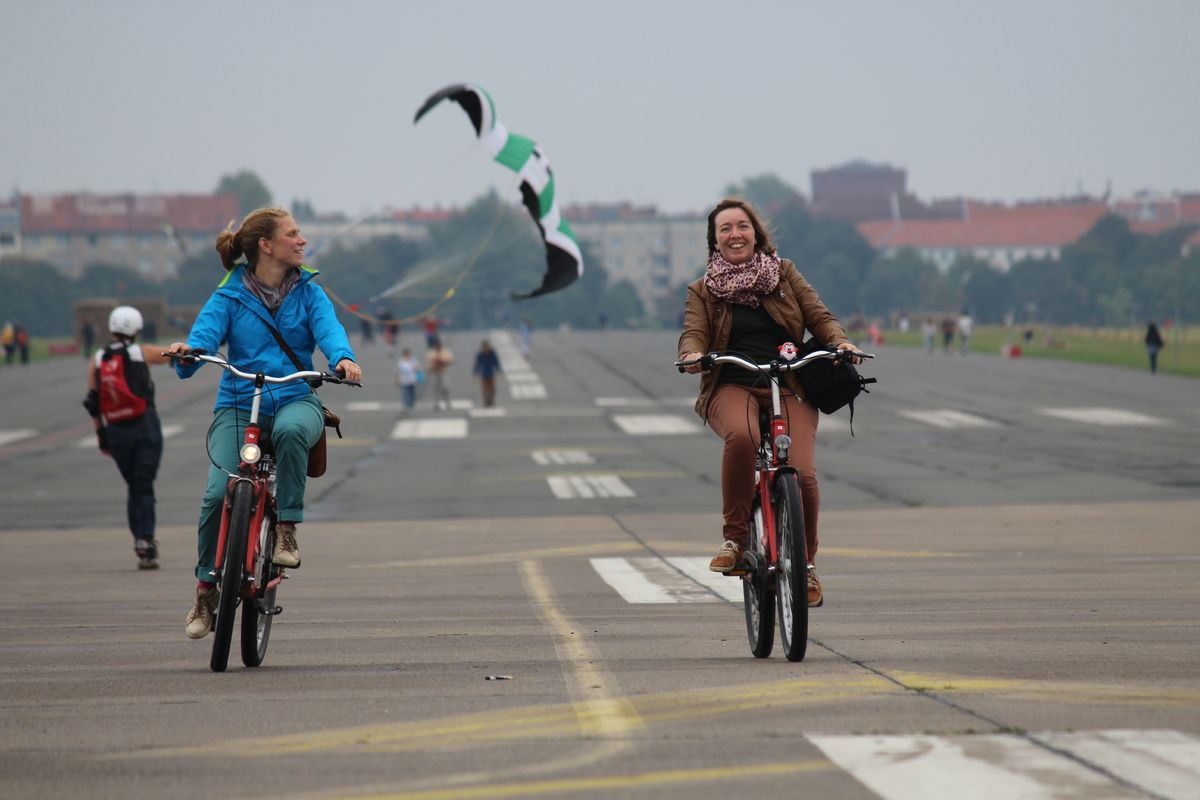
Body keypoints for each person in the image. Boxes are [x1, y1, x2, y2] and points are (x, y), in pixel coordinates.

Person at [165, 208, 362, 640]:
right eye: (293, 234)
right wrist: (189, 351)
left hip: (295, 396)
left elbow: (330, 332)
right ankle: (205, 590)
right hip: (238, 404)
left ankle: (286, 531)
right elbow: (204, 336)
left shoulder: (310, 292)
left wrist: (342, 359)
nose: (302, 240)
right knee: (217, 494)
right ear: (265, 246)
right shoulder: (229, 295)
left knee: (293, 432)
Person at [678, 197, 862, 608]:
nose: (734, 234)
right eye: (724, 229)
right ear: (715, 241)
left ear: (755, 233)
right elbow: (693, 332)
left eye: (741, 226)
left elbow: (819, 316)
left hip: (790, 383)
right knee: (742, 439)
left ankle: (807, 565)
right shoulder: (703, 290)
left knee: (804, 473)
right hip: (733, 385)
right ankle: (735, 540)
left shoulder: (784, 273)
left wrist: (840, 342)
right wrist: (693, 355)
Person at [83, 305, 173, 569]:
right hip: (144, 424)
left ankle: (141, 539)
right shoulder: (140, 352)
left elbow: (93, 402)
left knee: (134, 485)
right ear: (136, 328)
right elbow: (170, 355)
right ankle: (145, 539)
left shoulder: (98, 359)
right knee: (144, 484)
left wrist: (101, 433)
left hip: (116, 430)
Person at [426, 337, 454, 411]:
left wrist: (443, 361)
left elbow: (451, 360)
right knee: (436, 389)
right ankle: (436, 404)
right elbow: (428, 364)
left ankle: (448, 403)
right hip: (434, 372)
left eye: (439, 345)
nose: (437, 346)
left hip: (444, 372)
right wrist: (433, 365)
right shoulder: (431, 353)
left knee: (446, 388)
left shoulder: (446, 351)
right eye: (436, 345)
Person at [472, 339, 502, 408]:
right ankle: (486, 401)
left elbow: (496, 362)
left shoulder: (492, 353)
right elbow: (477, 363)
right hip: (484, 373)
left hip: (491, 372)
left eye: (487, 347)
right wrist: (476, 371)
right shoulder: (480, 354)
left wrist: (498, 368)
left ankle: (491, 400)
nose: (485, 349)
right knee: (485, 388)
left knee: (492, 388)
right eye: (484, 347)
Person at [395, 347, 420, 413]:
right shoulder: (401, 361)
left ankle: (411, 403)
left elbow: (417, 368)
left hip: (412, 379)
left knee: (412, 392)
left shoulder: (413, 360)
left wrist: (415, 368)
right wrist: (397, 379)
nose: (408, 355)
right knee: (405, 393)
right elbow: (398, 371)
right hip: (404, 380)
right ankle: (405, 405)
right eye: (406, 354)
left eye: (408, 354)